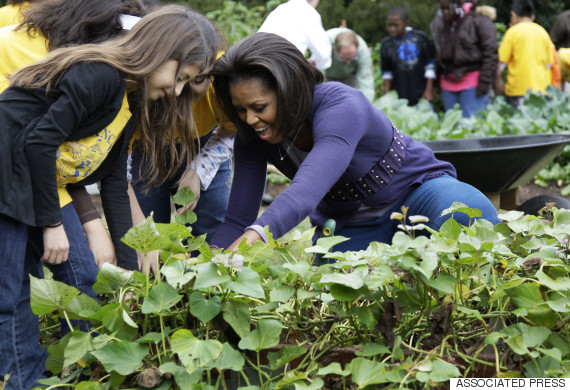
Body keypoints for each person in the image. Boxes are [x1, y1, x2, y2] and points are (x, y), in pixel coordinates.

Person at [0, 5, 219, 389]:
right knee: (9, 293)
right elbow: (38, 142)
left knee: (55, 284)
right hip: (7, 174)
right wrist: (52, 225)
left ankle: (49, 379)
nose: (179, 91)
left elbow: (115, 185)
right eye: (180, 77)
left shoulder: (129, 100)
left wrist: (134, 279)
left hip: (29, 180)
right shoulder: (100, 76)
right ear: (159, 50)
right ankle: (18, 381)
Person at [209, 32, 499, 254]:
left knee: (466, 211)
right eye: (241, 109)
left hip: (417, 194)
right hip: (352, 221)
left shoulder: (340, 105)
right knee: (335, 295)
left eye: (259, 107)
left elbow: (304, 194)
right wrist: (209, 262)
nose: (249, 119)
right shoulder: (252, 137)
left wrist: (253, 237)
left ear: (290, 91)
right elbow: (237, 220)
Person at [0, 0, 146, 329]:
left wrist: (127, 268)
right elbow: (37, 146)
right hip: (12, 168)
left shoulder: (113, 82)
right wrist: (82, 226)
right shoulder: (41, 55)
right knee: (14, 290)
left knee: (67, 279)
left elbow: (75, 157)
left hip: (35, 170)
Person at [129, 53, 236, 271]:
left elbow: (232, 131)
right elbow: (114, 167)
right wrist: (140, 228)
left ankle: (207, 289)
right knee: (148, 234)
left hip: (205, 142)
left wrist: (197, 170)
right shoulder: (133, 83)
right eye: (176, 79)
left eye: (196, 80)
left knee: (211, 225)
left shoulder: (222, 76)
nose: (180, 91)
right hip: (144, 146)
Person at [430, 0, 498, 117]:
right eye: (443, 9)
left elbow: (491, 53)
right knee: (452, 127)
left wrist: (484, 82)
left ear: (459, 5)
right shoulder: (442, 23)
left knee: (472, 125)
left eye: (448, 8)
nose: (445, 12)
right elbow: (438, 52)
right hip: (448, 84)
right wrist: (436, 83)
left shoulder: (478, 20)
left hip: (472, 83)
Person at [498, 0, 554, 109]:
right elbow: (549, 64)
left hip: (517, 90)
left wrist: (498, 83)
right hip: (541, 90)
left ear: (513, 14)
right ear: (532, 16)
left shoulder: (512, 32)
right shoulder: (542, 32)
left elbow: (501, 63)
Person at [380, 6, 435, 106]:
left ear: (406, 23)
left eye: (396, 25)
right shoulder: (386, 44)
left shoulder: (420, 38)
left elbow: (430, 65)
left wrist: (429, 90)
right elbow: (387, 73)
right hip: (399, 97)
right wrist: (387, 96)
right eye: (389, 25)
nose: (392, 29)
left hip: (421, 95)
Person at [258, 0, 331, 70]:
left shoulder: (279, 10)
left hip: (256, 62)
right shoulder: (309, 13)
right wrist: (314, 63)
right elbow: (324, 57)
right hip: (281, 69)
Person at [324, 27, 375, 102]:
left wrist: (366, 106)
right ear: (335, 49)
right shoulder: (324, 44)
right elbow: (318, 76)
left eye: (352, 59)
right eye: (343, 59)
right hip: (327, 77)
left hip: (350, 78)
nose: (348, 63)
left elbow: (366, 81)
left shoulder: (362, 50)